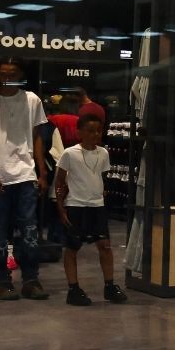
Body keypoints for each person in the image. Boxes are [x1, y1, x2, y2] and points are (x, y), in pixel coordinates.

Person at [0, 59, 52, 301]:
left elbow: (37, 136)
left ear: (21, 75)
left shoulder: (31, 100)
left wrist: (42, 171)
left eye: (13, 73)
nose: (8, 77)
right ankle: (2, 279)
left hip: (25, 173)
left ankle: (30, 278)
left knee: (29, 228)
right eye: (3, 73)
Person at [56, 113, 125, 306]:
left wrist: (101, 192)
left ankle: (110, 286)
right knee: (72, 248)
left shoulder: (103, 153)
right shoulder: (69, 153)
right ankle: (73, 288)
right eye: (91, 131)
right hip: (76, 206)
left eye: (98, 131)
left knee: (105, 245)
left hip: (97, 207)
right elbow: (60, 181)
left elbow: (100, 176)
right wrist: (61, 209)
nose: (95, 134)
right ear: (80, 132)